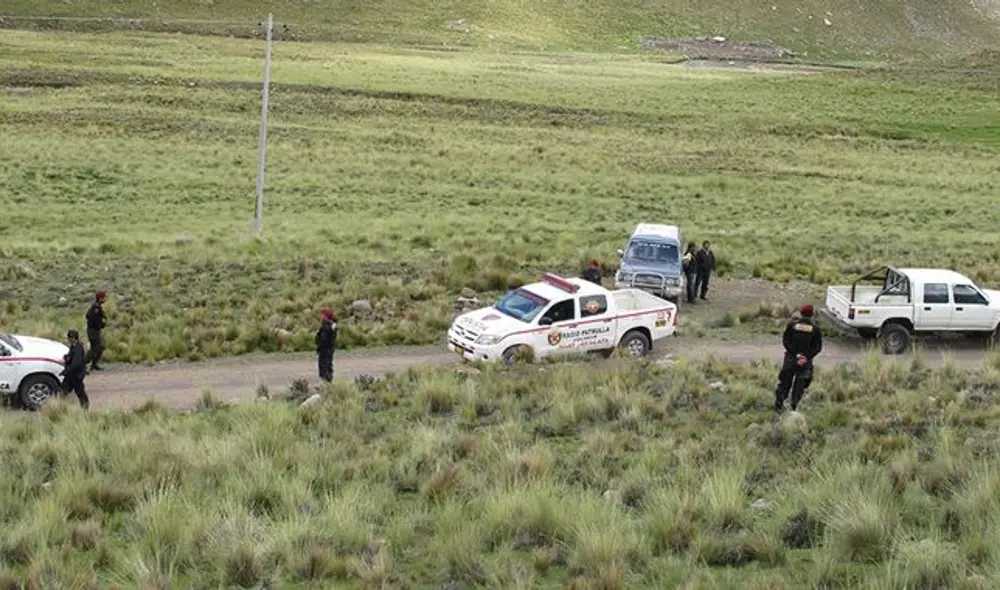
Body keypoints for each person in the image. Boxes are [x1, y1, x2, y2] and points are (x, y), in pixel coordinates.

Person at [774, 304, 823, 413]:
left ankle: (779, 405)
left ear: (800, 313)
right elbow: (817, 347)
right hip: (805, 363)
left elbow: (786, 341)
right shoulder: (815, 329)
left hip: (791, 359)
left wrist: (796, 355)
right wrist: (806, 357)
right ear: (812, 314)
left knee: (784, 383)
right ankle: (794, 408)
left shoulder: (791, 326)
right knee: (800, 386)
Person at [61, 329, 90, 409]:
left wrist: (66, 371)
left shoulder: (78, 348)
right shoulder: (73, 347)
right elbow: (71, 358)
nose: (68, 339)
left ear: (73, 338)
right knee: (64, 391)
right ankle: (59, 407)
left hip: (76, 375)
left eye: (69, 337)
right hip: (72, 375)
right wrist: (67, 357)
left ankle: (85, 409)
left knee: (80, 393)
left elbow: (76, 363)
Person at [85, 290, 107, 372]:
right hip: (93, 331)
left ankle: (94, 364)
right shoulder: (96, 307)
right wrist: (101, 324)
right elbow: (90, 317)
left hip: (95, 330)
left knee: (99, 347)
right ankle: (83, 363)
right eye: (104, 297)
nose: (105, 299)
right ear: (101, 298)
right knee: (95, 348)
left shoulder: (96, 306)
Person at [315, 309, 338, 382]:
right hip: (330, 349)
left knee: (324, 366)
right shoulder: (332, 326)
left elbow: (323, 340)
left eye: (323, 315)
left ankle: (326, 382)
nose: (321, 317)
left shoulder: (326, 327)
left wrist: (319, 347)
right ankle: (329, 381)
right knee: (328, 365)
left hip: (325, 350)